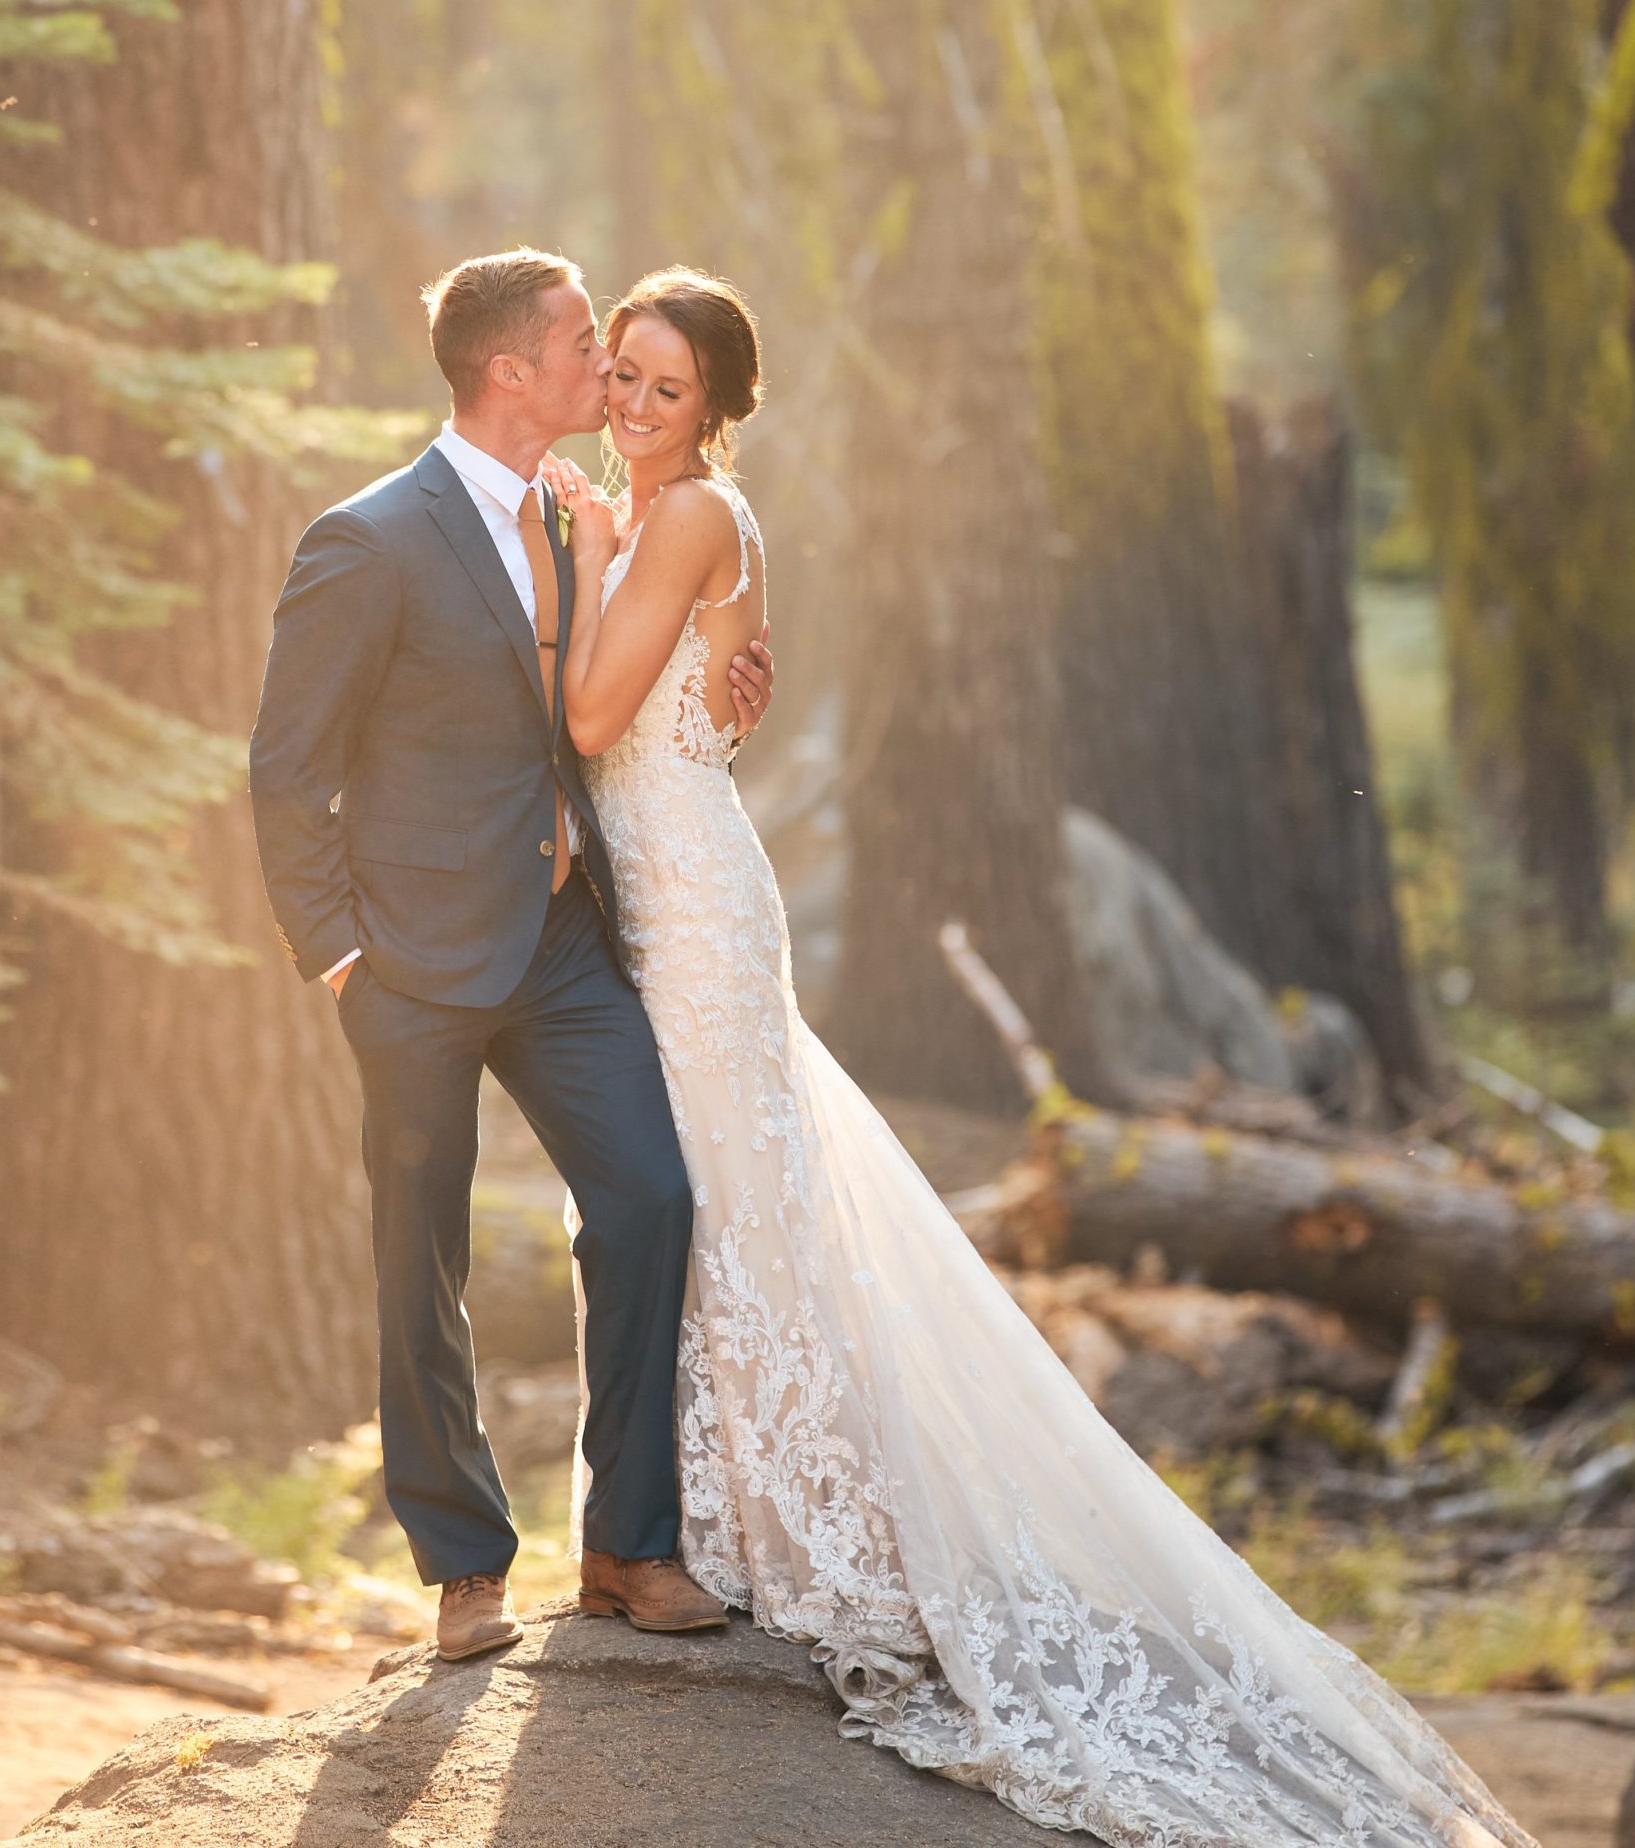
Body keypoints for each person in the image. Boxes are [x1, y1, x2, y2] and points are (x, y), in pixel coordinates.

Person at [538, 264, 1538, 1848]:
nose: (638, 406)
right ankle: (697, 1521)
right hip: (662, 901)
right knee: (699, 1205)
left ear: (715, 408)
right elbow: (685, 701)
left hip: (701, 920)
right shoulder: (655, 508)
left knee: (729, 1204)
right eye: (626, 377)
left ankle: (784, 1537)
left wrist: (592, 555)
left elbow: (593, 718)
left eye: (670, 389)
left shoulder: (674, 520)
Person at [247, 248, 774, 1663]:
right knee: (422, 1257)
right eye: (577, 344)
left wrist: (726, 684)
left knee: (651, 1198)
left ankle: (628, 1546)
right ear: (510, 372)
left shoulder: (574, 512)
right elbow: (287, 771)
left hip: (558, 938)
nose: (604, 369)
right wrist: (338, 958)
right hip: (407, 962)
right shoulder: (367, 538)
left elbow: (623, 685)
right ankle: (467, 1572)